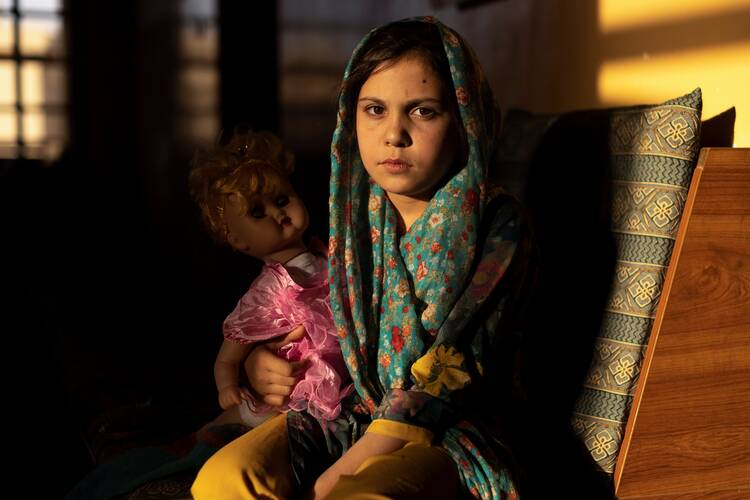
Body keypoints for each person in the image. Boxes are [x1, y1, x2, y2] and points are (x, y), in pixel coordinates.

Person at [192, 17, 532, 500]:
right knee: (226, 480)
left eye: (423, 111)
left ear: (464, 121)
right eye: (375, 109)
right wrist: (257, 365)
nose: (395, 133)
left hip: (445, 431)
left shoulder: (496, 224)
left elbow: (456, 360)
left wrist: (346, 468)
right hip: (341, 411)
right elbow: (320, 328)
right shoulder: (355, 217)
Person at [189, 130, 353, 428]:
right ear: (237, 239)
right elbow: (228, 356)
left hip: (341, 379)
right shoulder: (270, 291)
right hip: (291, 390)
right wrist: (227, 387)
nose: (277, 213)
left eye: (281, 199)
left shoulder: (331, 256)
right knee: (236, 425)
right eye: (257, 212)